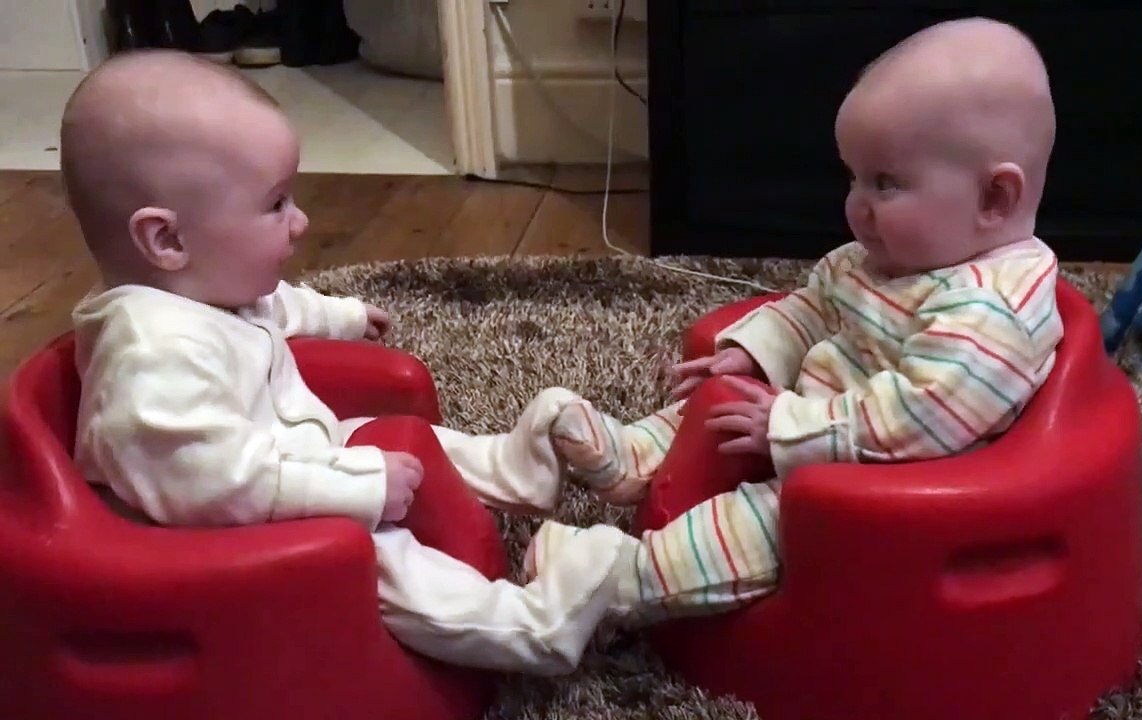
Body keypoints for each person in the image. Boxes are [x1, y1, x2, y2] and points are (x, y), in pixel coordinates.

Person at [61, 48, 633, 676]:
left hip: (290, 460)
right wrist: (356, 487)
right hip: (225, 537)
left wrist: (347, 317)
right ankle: (532, 628)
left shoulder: (200, 289)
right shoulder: (151, 356)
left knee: (403, 441)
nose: (301, 221)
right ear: (166, 240)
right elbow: (208, 482)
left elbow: (278, 306)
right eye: (276, 203)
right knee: (384, 559)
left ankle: (512, 470)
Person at [525, 17, 1067, 626]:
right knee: (724, 401)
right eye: (855, 177)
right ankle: (634, 454)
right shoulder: (890, 260)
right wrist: (755, 355)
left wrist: (792, 426)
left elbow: (922, 419)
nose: (856, 204)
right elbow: (811, 309)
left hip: (883, 480)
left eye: (886, 183)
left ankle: (618, 576)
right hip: (823, 425)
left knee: (758, 526)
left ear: (994, 199)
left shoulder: (989, 315)